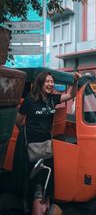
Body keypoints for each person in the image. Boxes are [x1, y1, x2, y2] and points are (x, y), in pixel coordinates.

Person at [11, 70, 81, 208]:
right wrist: (30, 133)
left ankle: (43, 198)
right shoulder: (30, 101)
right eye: (48, 81)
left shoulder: (53, 99)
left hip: (46, 143)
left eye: (52, 81)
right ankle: (26, 201)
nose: (51, 84)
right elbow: (19, 121)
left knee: (44, 173)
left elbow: (72, 94)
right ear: (41, 83)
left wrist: (75, 81)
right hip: (30, 144)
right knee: (28, 175)